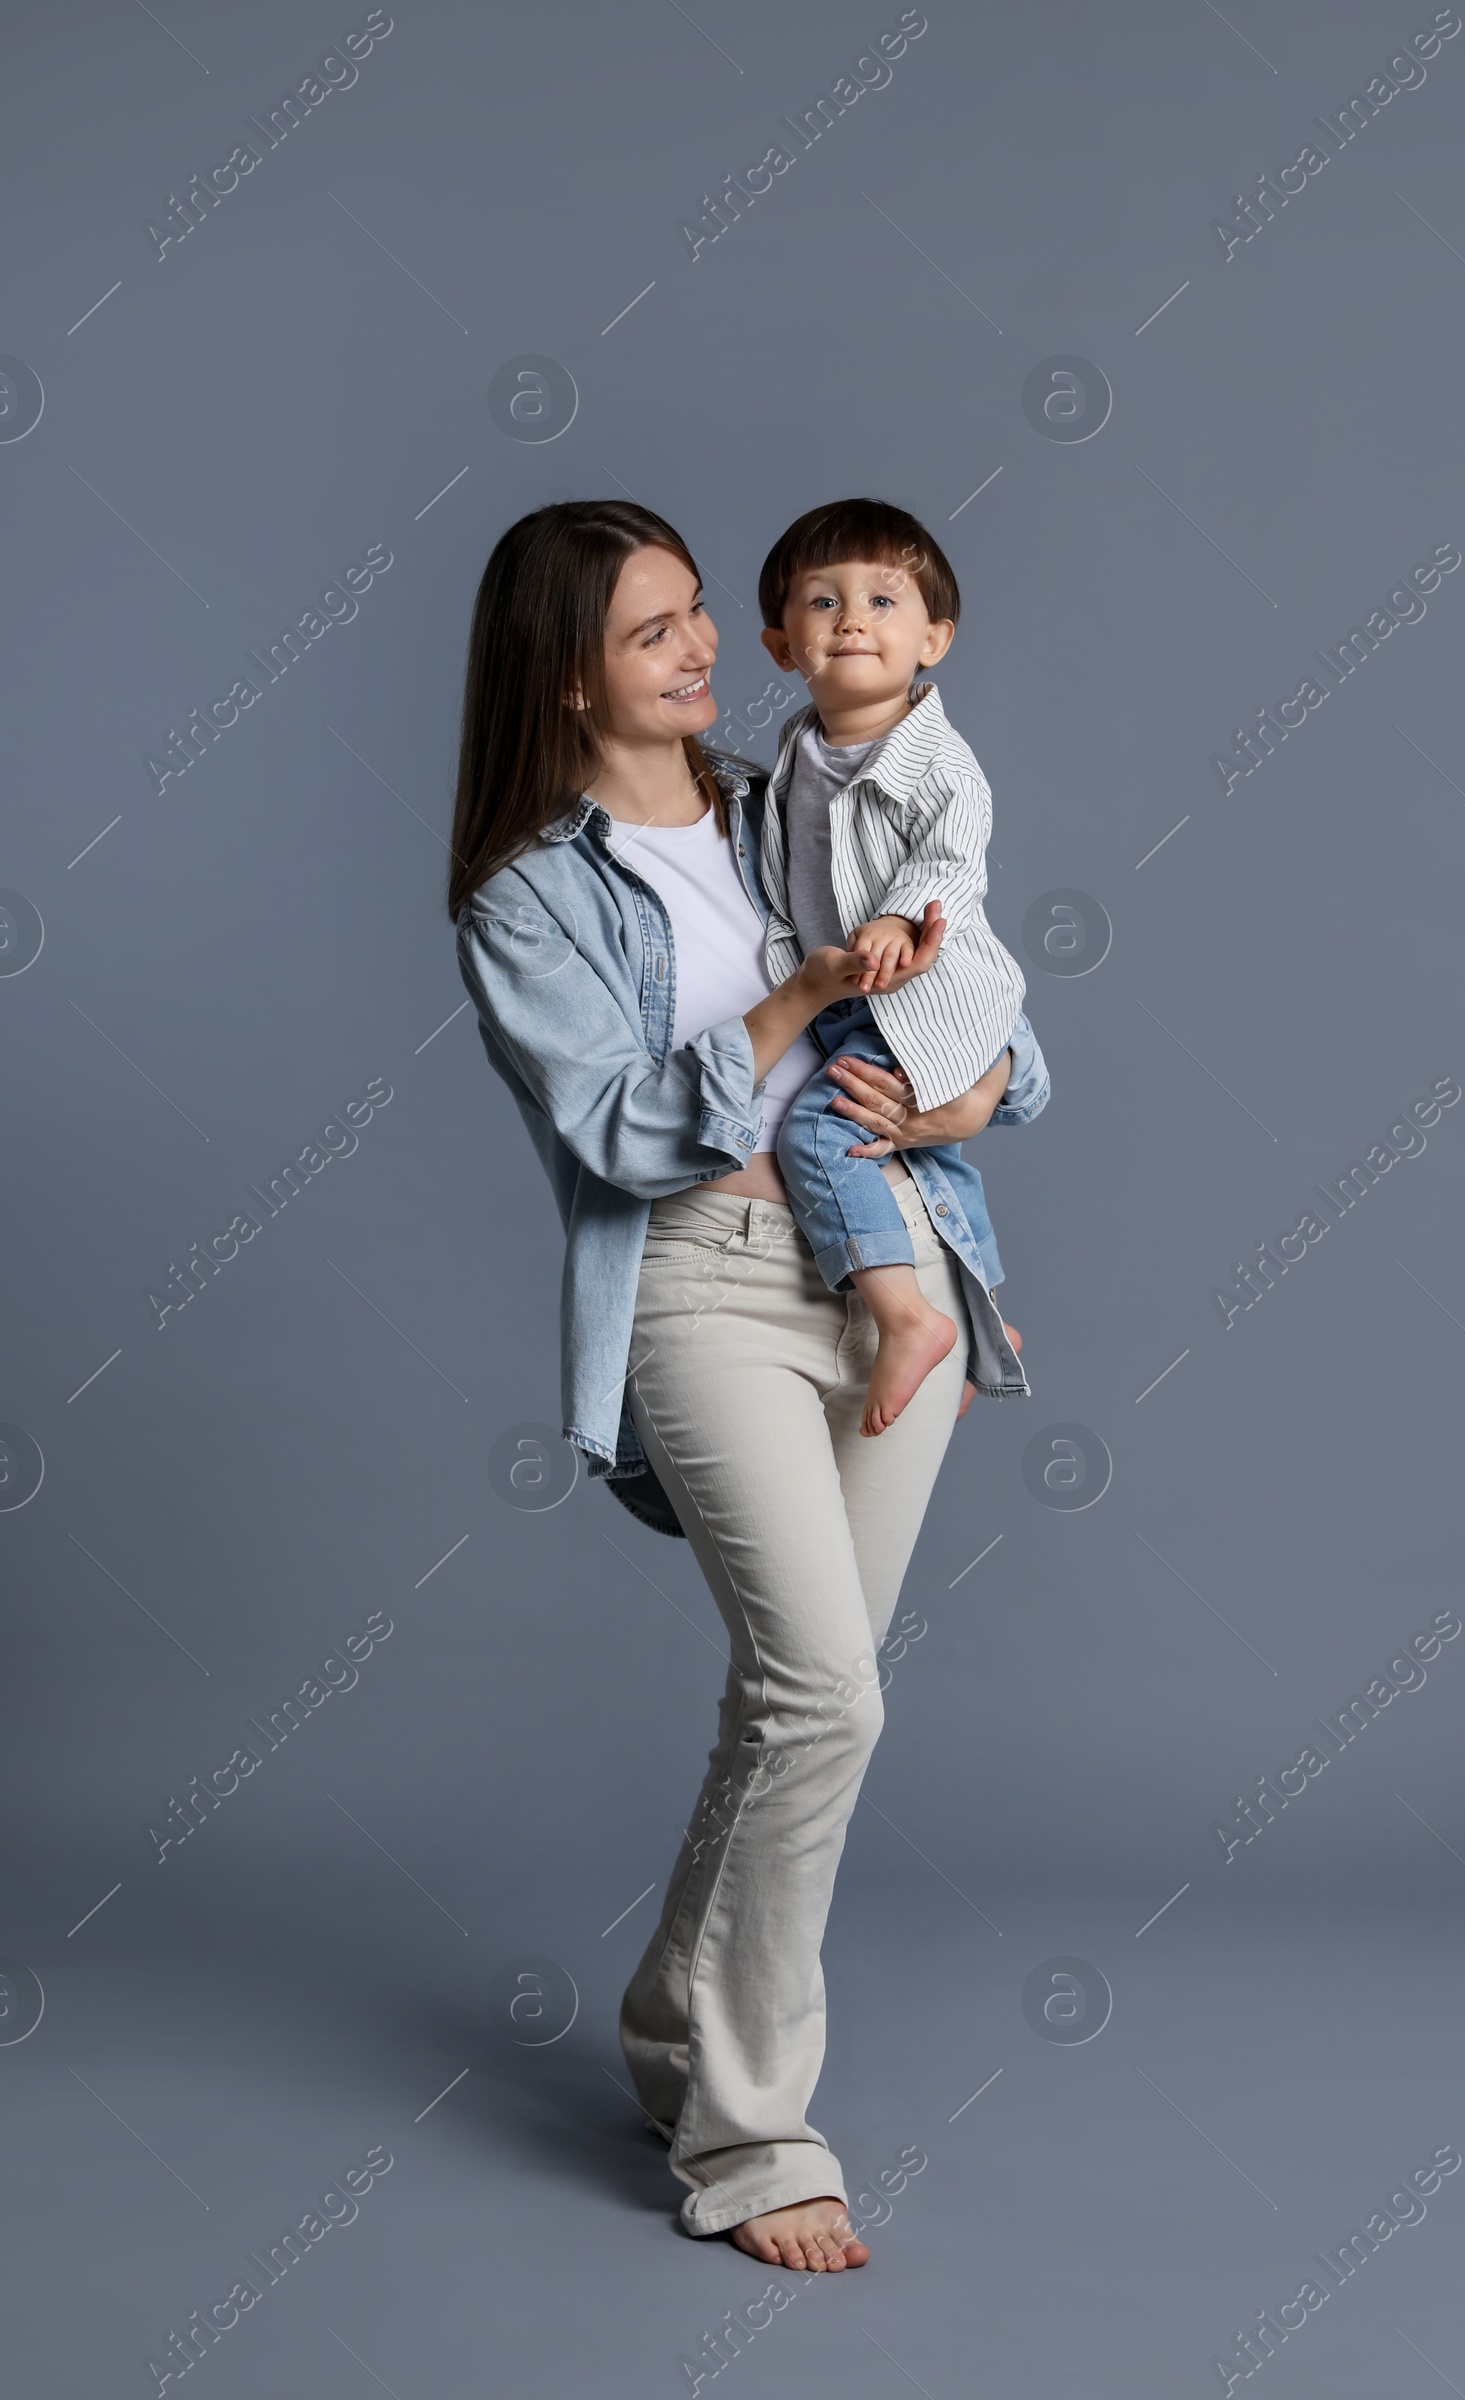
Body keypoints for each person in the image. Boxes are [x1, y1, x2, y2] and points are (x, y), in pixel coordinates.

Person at [449, 500, 1049, 2272]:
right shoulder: (526, 899)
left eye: (704, 613)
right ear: (566, 679)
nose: (706, 647)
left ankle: (671, 2022)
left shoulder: (801, 783)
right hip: (704, 1282)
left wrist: (963, 1092)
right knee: (827, 1696)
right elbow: (626, 1129)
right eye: (654, 633)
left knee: (801, 1704)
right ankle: (749, 2136)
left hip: (895, 1274)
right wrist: (797, 993)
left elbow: (995, 1004)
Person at [756, 497, 1027, 1436]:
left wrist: (895, 915)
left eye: (882, 600)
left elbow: (956, 855)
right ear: (780, 645)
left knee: (819, 1141)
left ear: (935, 640)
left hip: (922, 994)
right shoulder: (796, 749)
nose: (854, 621)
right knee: (932, 1157)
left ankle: (907, 1320)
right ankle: (986, 1316)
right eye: (823, 604)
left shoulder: (938, 760)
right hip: (849, 1002)